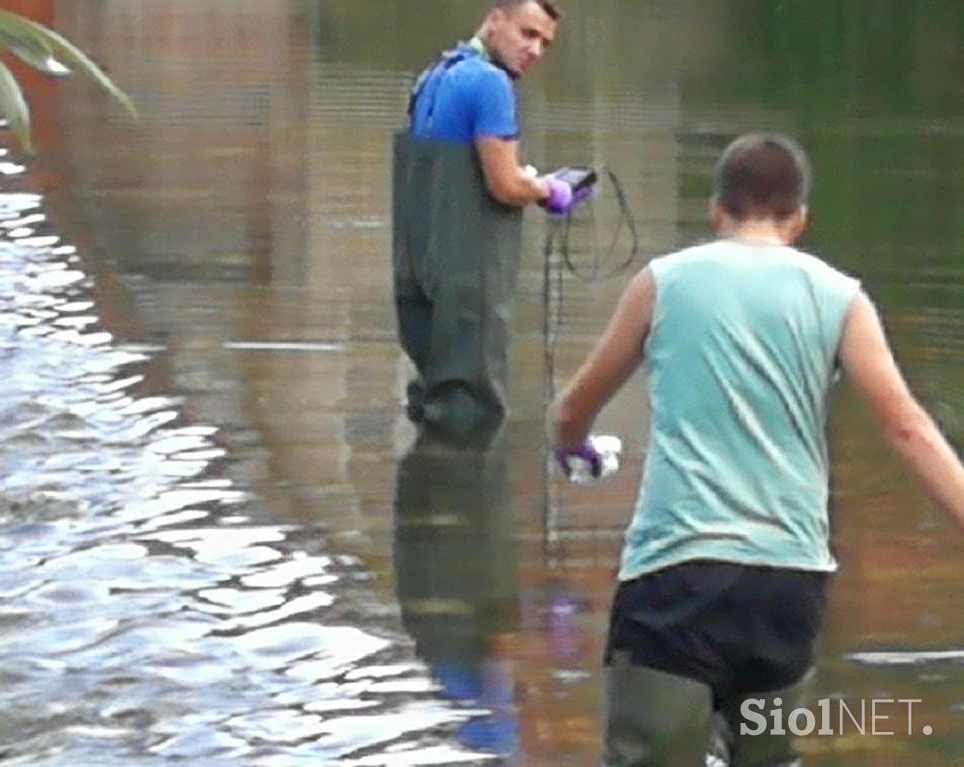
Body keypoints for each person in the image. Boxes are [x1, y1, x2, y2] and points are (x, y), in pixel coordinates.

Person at [548, 133, 964, 766]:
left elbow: (575, 408)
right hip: (787, 585)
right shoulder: (841, 298)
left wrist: (573, 446)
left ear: (717, 212)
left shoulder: (663, 282)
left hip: (675, 576)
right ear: (799, 219)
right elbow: (908, 428)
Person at [392, 0, 583, 443]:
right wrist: (549, 189)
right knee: (470, 412)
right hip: (466, 278)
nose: (535, 51)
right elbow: (503, 185)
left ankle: (424, 503)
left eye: (545, 43)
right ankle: (467, 509)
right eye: (527, 34)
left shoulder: (433, 77)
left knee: (430, 399)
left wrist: (524, 179)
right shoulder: (490, 84)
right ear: (495, 20)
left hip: (418, 271)